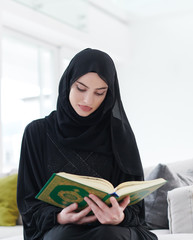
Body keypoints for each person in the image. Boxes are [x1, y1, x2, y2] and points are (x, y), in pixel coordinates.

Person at [17, 48, 157, 240]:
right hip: (61, 228)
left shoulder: (119, 133)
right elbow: (28, 203)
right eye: (80, 88)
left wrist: (119, 216)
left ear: (109, 95)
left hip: (113, 229)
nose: (88, 100)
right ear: (68, 83)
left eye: (99, 93)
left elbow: (136, 209)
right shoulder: (37, 133)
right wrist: (59, 216)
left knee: (109, 235)